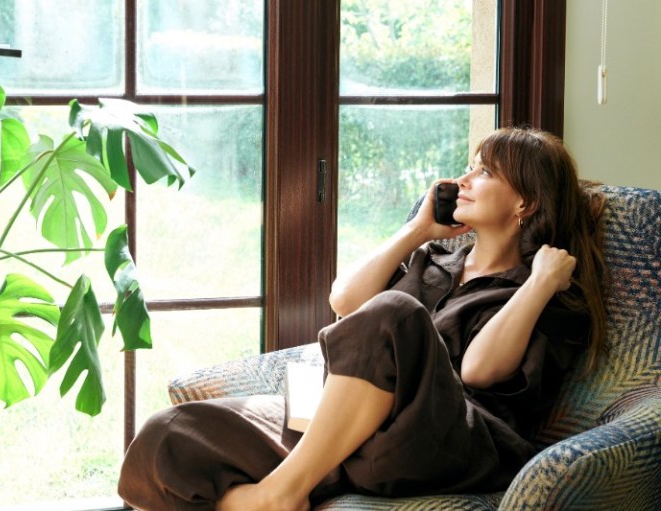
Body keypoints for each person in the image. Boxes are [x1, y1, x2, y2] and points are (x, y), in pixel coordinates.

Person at [118, 127, 608, 511]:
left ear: (525, 201)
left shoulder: (549, 293)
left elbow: (479, 371)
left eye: (483, 173)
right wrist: (415, 230)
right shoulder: (435, 258)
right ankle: (260, 499)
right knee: (171, 438)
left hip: (444, 441)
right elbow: (344, 300)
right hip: (354, 435)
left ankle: (284, 490)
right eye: (467, 168)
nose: (462, 180)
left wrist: (538, 284)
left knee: (394, 311)